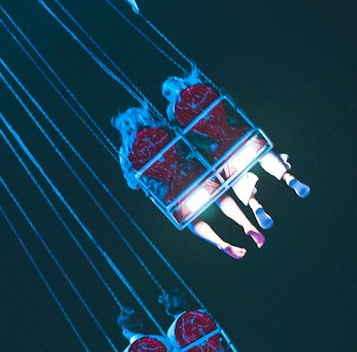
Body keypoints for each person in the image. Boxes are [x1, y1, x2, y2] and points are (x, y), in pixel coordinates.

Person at [112, 105, 265, 259]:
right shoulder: (162, 129)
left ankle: (221, 243)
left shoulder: (125, 152)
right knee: (220, 195)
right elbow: (184, 143)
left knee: (191, 219)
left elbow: (134, 184)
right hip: (190, 174)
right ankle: (247, 224)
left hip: (170, 193)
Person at [161, 72, 311, 223]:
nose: (173, 91)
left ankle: (289, 180)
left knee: (256, 152)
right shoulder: (176, 111)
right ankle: (256, 205)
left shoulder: (201, 90)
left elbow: (230, 104)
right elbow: (188, 138)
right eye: (168, 92)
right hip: (221, 143)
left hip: (230, 135)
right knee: (236, 171)